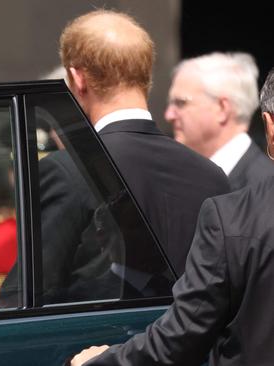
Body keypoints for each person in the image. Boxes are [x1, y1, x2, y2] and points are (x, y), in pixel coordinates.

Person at [69, 66, 274, 366]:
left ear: (269, 125)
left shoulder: (231, 218)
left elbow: (181, 338)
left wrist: (100, 362)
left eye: (182, 102)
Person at [56, 9, 230, 276]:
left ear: (78, 78)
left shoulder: (67, 171)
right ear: (145, 74)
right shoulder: (212, 177)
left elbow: (26, 296)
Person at [165, 52, 274, 190]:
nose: (169, 115)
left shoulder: (263, 187)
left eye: (181, 103)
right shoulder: (182, 177)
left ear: (222, 109)